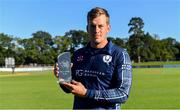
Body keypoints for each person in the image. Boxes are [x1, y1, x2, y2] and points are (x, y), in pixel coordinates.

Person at [54, 7, 132, 109]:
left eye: (100, 26)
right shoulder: (78, 54)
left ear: (108, 28)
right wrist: (63, 78)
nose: (96, 30)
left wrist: (87, 93)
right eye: (93, 26)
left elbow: (123, 93)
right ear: (87, 28)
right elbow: (70, 89)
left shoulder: (119, 54)